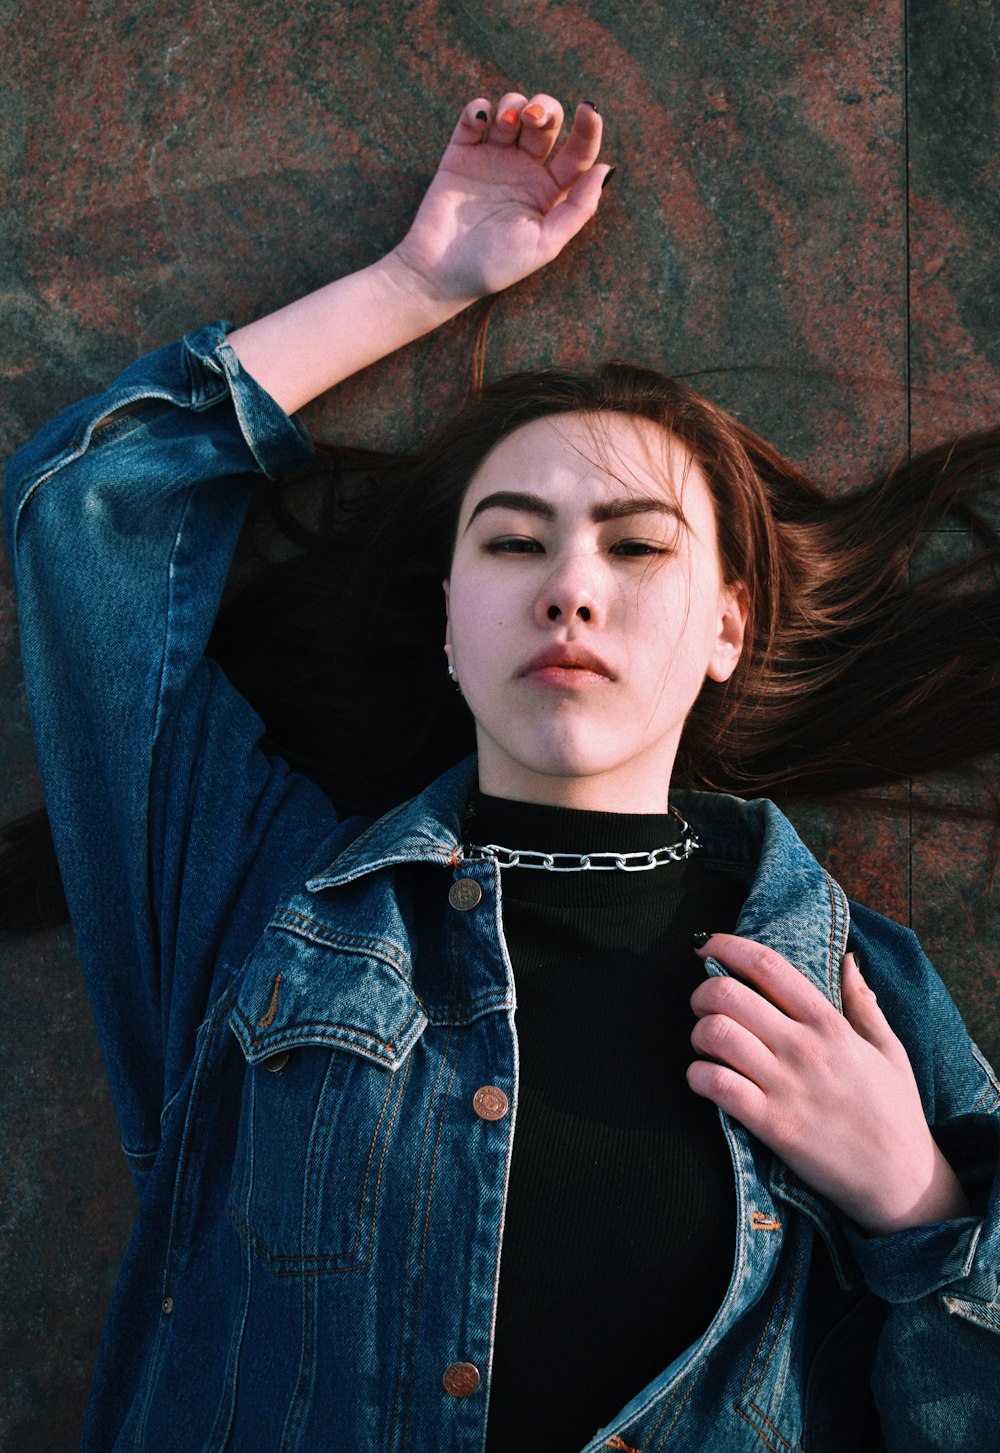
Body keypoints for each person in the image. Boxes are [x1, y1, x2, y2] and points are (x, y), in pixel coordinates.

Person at [3, 90, 999, 1453]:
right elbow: (89, 519)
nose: (571, 590)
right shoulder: (264, 899)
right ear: (451, 622)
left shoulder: (848, 991)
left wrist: (924, 1201)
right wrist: (415, 283)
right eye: (515, 543)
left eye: (638, 548)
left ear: (728, 627)